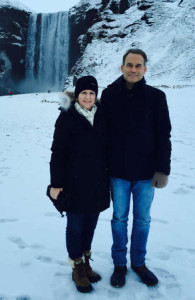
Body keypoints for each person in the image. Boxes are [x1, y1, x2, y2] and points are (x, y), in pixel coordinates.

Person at [101, 49, 171, 288]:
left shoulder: (156, 97)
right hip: (118, 172)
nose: (133, 69)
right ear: (122, 68)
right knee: (119, 219)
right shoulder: (109, 95)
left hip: (146, 173)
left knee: (142, 220)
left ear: (144, 69)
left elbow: (164, 136)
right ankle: (119, 264)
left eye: (138, 65)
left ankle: (138, 263)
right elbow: (101, 133)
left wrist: (163, 170)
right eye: (129, 65)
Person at [49, 76, 110, 293]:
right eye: (83, 93)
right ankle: (76, 267)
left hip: (97, 183)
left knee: (90, 225)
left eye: (91, 93)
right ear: (77, 95)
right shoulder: (67, 117)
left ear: (96, 96)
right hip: (73, 183)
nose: (87, 97)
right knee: (75, 227)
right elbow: (57, 153)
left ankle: (85, 263)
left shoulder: (102, 115)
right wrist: (55, 184)